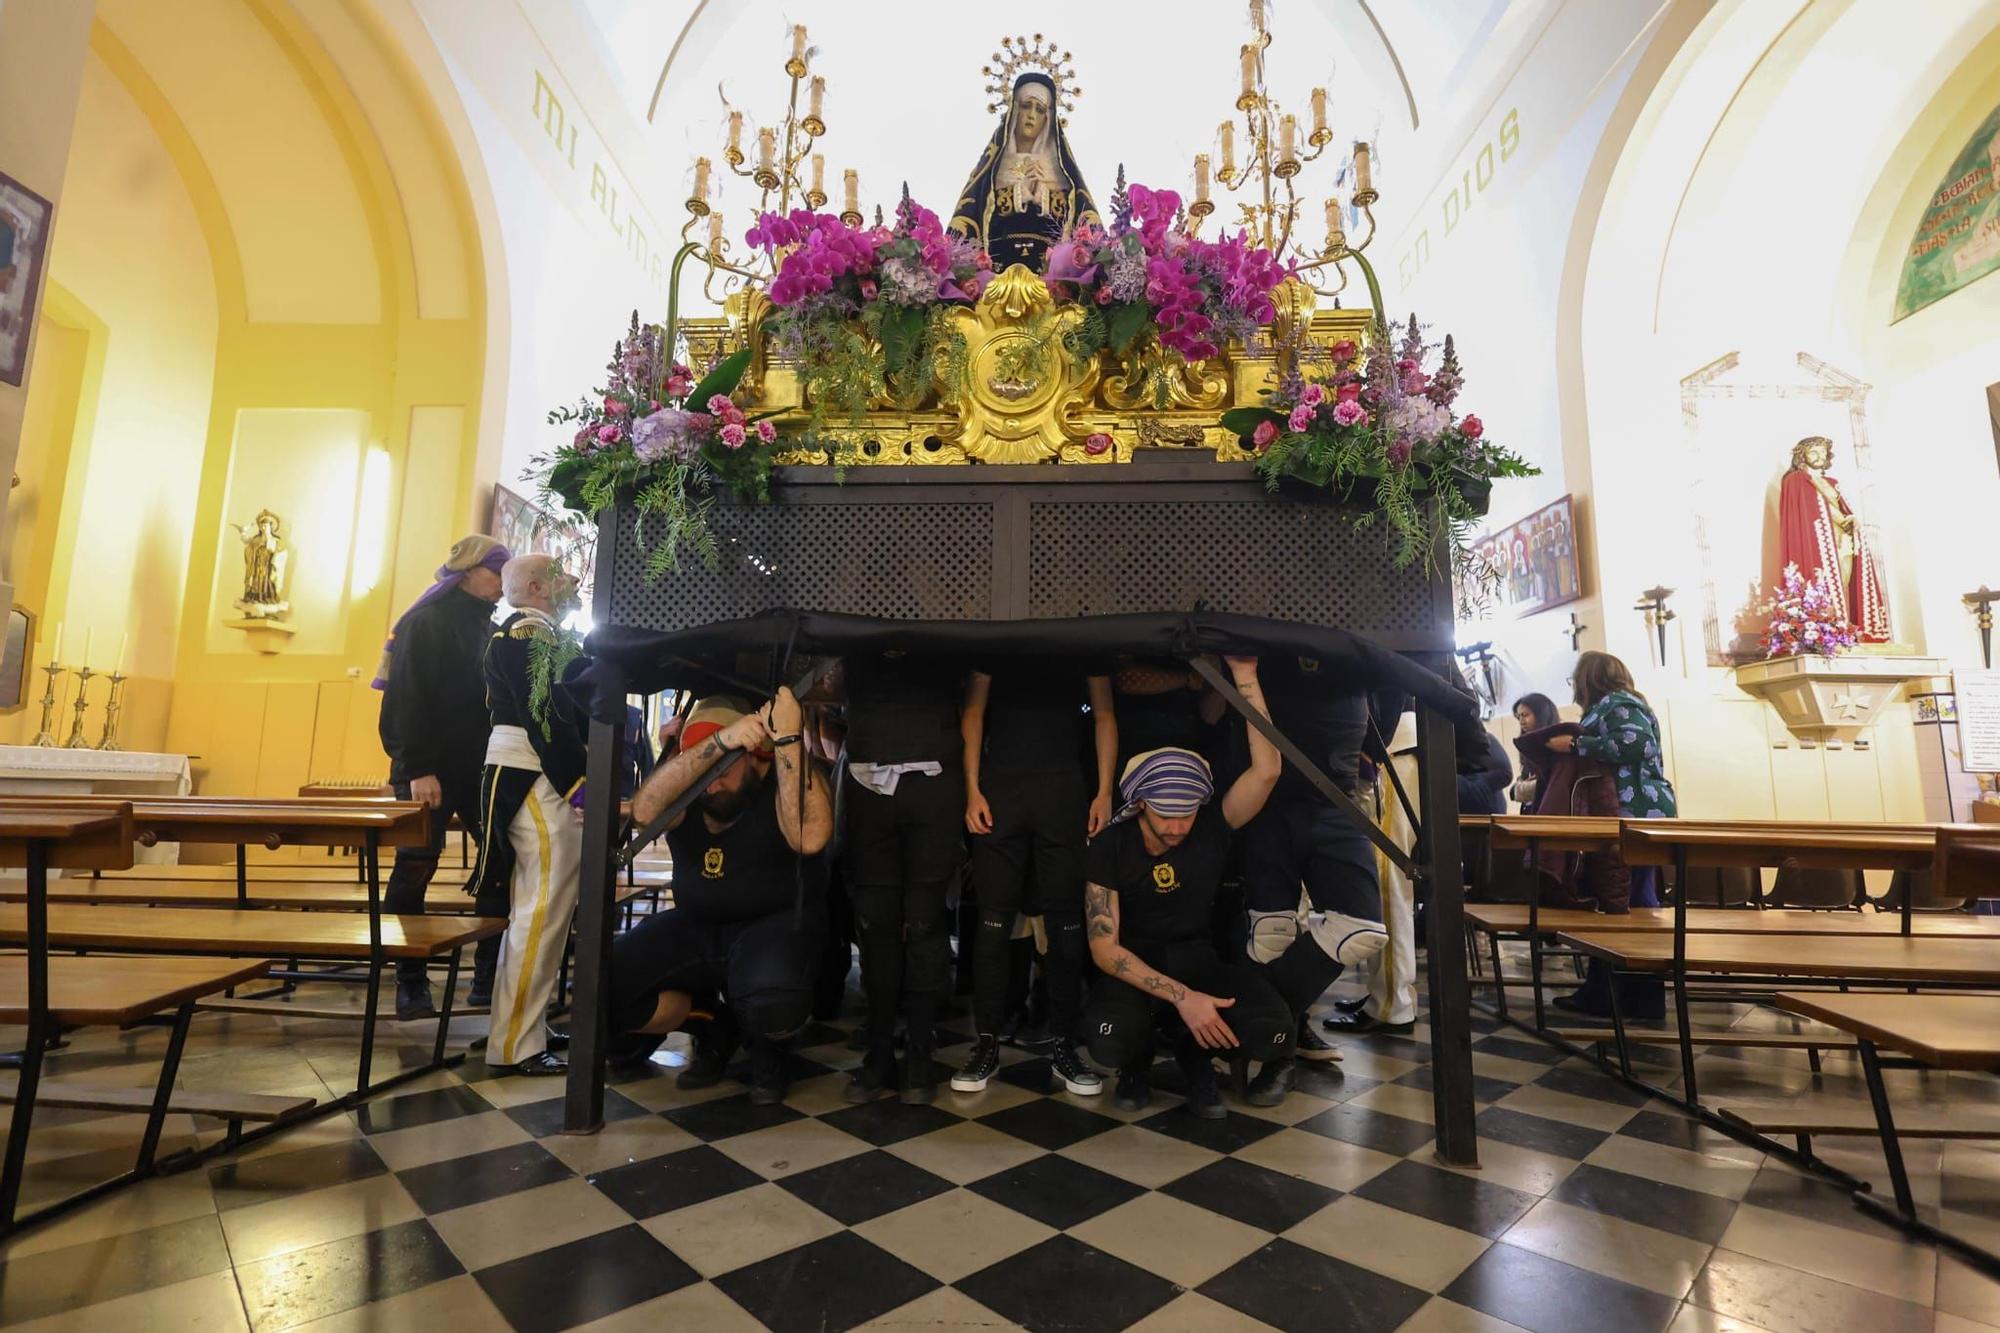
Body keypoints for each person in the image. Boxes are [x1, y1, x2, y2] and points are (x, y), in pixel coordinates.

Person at [1083, 657, 1384, 1117]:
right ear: (1140, 804)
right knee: (1111, 1040)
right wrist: (1185, 1000)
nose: (1178, 826)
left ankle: (1197, 1058)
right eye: (1166, 814)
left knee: (1270, 1031)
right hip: (1138, 961)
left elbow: (1266, 770)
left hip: (1199, 958)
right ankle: (1137, 1063)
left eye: (1188, 813)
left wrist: (1244, 678)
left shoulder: (1211, 825)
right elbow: (1104, 949)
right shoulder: (1112, 844)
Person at [611, 692, 833, 1104]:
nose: (712, 782)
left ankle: (768, 1048)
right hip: (697, 924)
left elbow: (811, 835)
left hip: (771, 922)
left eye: (724, 769)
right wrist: (718, 744)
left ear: (753, 756)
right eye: (704, 768)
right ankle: (714, 1024)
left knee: (771, 997)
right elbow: (644, 811)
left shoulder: (778, 775)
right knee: (605, 983)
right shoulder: (692, 788)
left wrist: (786, 739)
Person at [951, 659, 1117, 1097]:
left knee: (1065, 922)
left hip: (1064, 791)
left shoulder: (1081, 640)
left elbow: (1104, 714)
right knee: (993, 920)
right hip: (1001, 789)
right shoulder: (999, 632)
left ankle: (1064, 1043)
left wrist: (1103, 791)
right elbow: (973, 713)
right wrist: (971, 788)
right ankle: (985, 1042)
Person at [1238, 657, 1388, 1100]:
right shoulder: (1265, 647)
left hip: (1335, 797)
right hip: (1267, 803)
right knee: (1271, 935)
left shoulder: (1355, 645)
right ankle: (1279, 1052)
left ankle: (1256, 1016)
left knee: (1362, 929)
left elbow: (1387, 698)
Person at [374, 534, 510, 1020]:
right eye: (496, 571)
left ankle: (489, 976)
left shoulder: (489, 627)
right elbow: (405, 699)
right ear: (470, 572)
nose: (501, 582)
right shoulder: (425, 623)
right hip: (427, 768)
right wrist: (418, 768)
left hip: (478, 767)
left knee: (499, 860)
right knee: (415, 866)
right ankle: (409, 978)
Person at [472, 554, 588, 1075]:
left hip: (534, 775)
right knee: (540, 915)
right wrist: (581, 787)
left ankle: (526, 1024)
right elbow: (548, 722)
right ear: (538, 586)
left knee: (542, 913)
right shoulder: (528, 637)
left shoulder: (530, 633)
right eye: (562, 571)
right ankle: (517, 1042)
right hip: (537, 778)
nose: (571, 578)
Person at [839, 653, 966, 1104]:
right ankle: (878, 1049)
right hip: (868, 773)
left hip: (935, 772)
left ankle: (918, 1050)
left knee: (926, 921)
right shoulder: (854, 602)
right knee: (876, 924)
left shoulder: (948, 607)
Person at [1546, 650, 1676, 1018]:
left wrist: (1574, 745)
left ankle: (1625, 996)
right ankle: (1627, 995)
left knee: (1629, 905)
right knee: (1625, 902)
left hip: (1632, 812)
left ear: (1589, 678)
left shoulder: (1619, 703)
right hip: (1624, 813)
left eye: (1575, 680)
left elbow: (1636, 745)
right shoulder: (1615, 704)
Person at [949, 71, 1099, 271]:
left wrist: (1045, 197)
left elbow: (1082, 223)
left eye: (1039, 109)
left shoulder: (1060, 171)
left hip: (1052, 285)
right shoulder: (994, 167)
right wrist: (1018, 195)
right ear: (1014, 110)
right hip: (996, 278)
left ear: (1048, 117)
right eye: (1026, 106)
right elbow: (971, 215)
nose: (1031, 115)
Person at [1508, 693, 1561, 811]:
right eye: (1519, 717)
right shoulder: (1527, 745)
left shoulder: (1557, 745)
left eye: (1525, 715)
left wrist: (1519, 789)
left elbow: (1551, 785)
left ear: (1541, 715)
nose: (1521, 721)